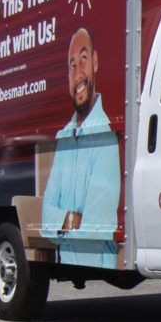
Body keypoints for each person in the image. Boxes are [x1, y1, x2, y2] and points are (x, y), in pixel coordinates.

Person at [40, 27, 121, 269]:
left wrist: (62, 223)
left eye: (83, 60)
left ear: (95, 62)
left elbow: (94, 236)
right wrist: (72, 219)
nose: (77, 73)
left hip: (97, 265)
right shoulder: (64, 136)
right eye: (71, 65)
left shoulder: (105, 137)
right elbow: (45, 217)